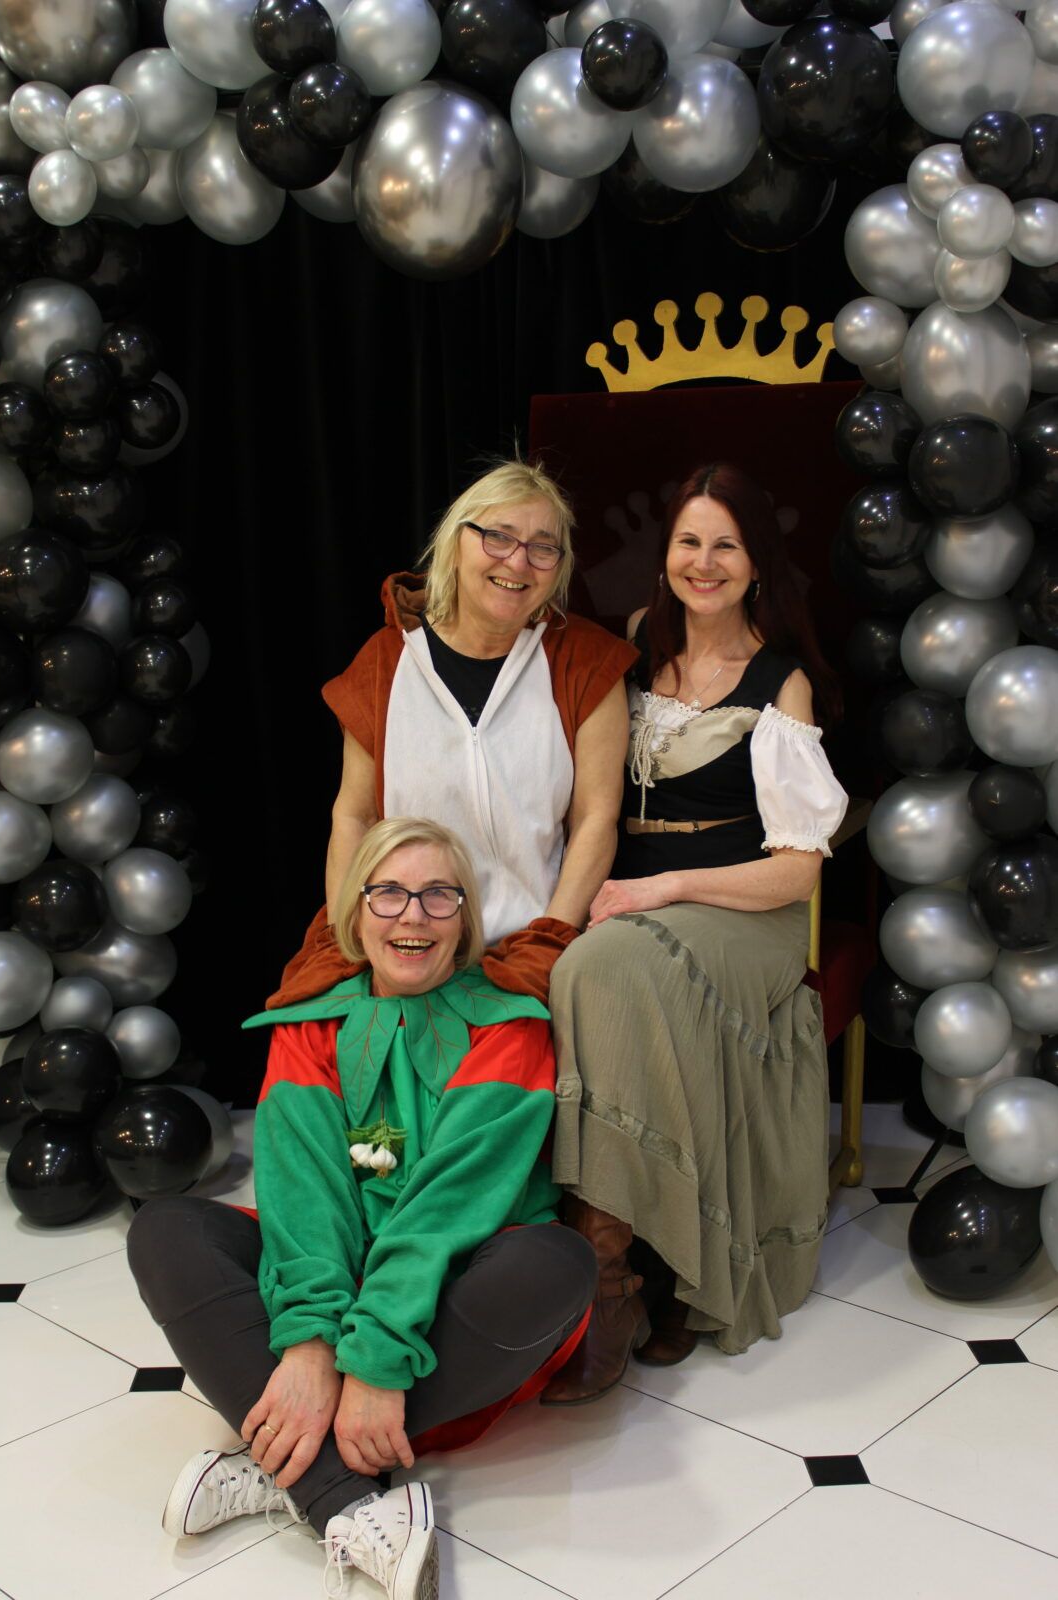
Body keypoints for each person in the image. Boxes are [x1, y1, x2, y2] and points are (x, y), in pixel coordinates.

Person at [128, 818, 597, 1600]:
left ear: (464, 921)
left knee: (556, 1264)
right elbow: (304, 1188)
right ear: (356, 911)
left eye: (439, 895)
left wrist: (375, 1360)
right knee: (166, 1229)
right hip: (334, 1280)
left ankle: (282, 1460)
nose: (412, 915)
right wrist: (312, 1346)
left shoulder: (509, 1025)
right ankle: (339, 1492)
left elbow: (449, 1206)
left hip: (447, 1300)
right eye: (388, 894)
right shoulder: (309, 1024)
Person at [539, 462, 849, 1406]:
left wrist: (665, 885)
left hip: (739, 909)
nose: (703, 563)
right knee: (598, 965)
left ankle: (620, 1278)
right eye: (688, 541)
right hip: (626, 902)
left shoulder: (780, 683)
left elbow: (795, 872)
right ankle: (640, 1264)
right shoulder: (633, 642)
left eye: (726, 545)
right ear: (664, 552)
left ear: (756, 564)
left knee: (600, 970)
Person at [269, 458, 637, 1012]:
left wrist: (550, 939)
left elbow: (594, 818)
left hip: (532, 939)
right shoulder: (385, 663)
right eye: (498, 536)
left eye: (543, 547)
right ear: (456, 541)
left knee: (512, 1062)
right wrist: (353, 935)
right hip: (406, 940)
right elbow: (355, 816)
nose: (518, 561)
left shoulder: (586, 662)